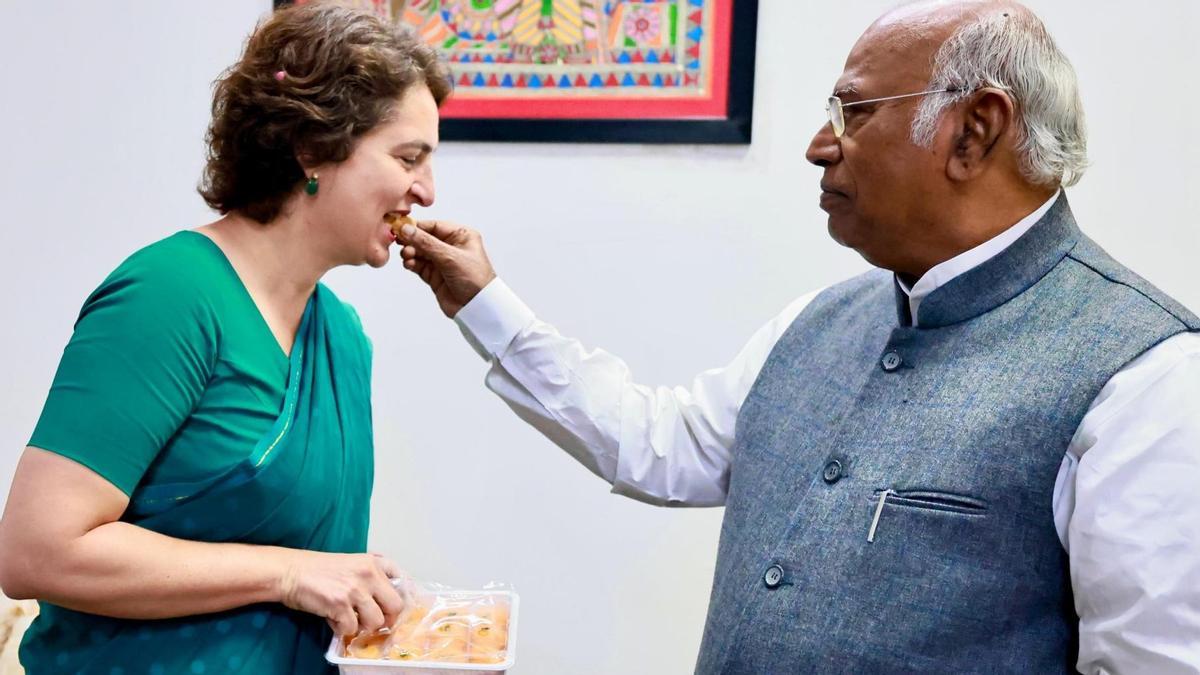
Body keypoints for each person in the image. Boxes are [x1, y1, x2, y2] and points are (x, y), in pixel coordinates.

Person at [395, 1, 1200, 672]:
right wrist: (485, 302)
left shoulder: (1149, 379)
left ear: (975, 131)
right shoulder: (822, 319)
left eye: (851, 111)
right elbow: (660, 444)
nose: (820, 146)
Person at [0, 4, 449, 673]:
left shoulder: (343, 339)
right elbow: (34, 551)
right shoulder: (171, 295)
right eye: (407, 157)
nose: (427, 190)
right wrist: (291, 574)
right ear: (312, 147)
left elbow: (306, 554)